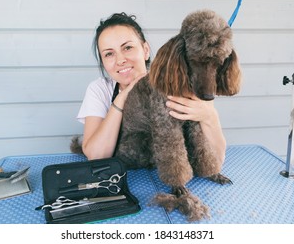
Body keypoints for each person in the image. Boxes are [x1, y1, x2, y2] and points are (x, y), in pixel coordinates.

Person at [77, 12, 226, 163]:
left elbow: (218, 159)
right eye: (109, 54)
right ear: (103, 62)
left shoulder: (180, 84)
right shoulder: (100, 90)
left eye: (127, 47)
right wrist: (122, 97)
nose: (120, 60)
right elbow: (95, 156)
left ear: (146, 50)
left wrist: (209, 116)